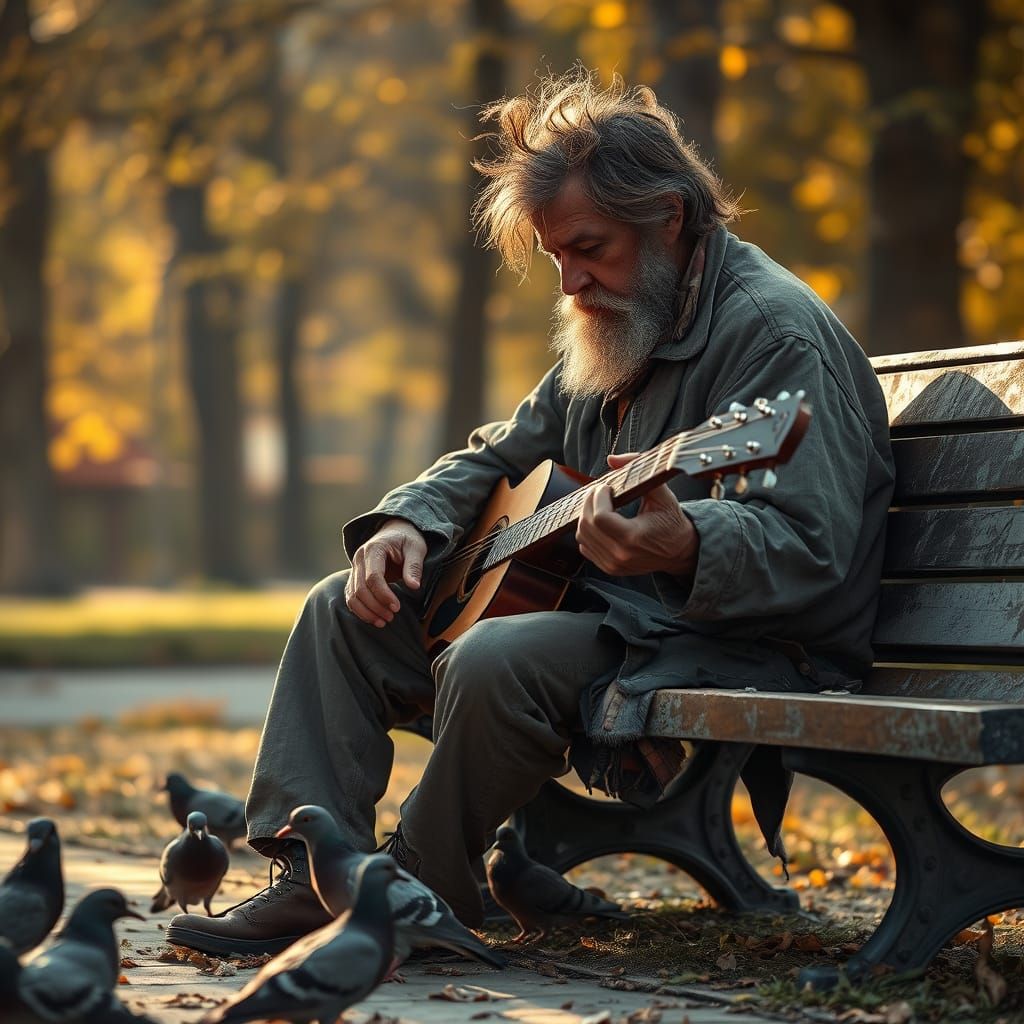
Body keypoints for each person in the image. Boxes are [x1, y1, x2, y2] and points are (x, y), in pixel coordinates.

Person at [167, 69, 894, 957]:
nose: (573, 283)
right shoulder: (623, 315)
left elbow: (809, 546)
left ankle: (417, 891)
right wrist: (407, 524)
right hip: (617, 615)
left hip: (738, 637)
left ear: (667, 218)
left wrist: (687, 540)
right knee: (339, 610)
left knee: (494, 654)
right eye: (557, 259)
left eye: (590, 248)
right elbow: (502, 452)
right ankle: (314, 874)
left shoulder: (772, 334)